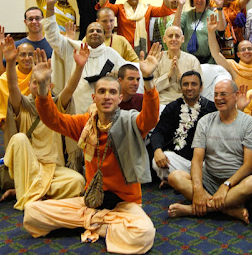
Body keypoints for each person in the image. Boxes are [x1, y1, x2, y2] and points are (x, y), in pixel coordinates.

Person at [22, 43, 163, 253]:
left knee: (143, 233)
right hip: (91, 201)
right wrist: (43, 90)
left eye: (112, 92)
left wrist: (149, 81)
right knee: (32, 212)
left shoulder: (130, 123)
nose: (107, 96)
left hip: (124, 204)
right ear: (93, 97)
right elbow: (53, 120)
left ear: (120, 98)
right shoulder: (84, 124)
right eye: (102, 91)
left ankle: (90, 222)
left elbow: (150, 117)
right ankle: (104, 224)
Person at [0, 40, 86, 210]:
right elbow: (12, 86)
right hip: (28, 167)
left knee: (78, 182)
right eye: (35, 82)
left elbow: (70, 88)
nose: (38, 85)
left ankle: (26, 193)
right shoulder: (22, 104)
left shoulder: (57, 105)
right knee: (18, 138)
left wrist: (79, 67)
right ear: (29, 85)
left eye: (44, 82)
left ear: (51, 85)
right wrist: (10, 63)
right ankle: (37, 195)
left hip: (54, 169)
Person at [167, 79, 252, 224]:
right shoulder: (205, 121)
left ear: (236, 95)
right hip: (209, 179)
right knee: (174, 177)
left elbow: (248, 165)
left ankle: (193, 209)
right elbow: (197, 160)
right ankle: (228, 210)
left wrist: (226, 185)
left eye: (223, 94)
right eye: (216, 94)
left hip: (236, 184)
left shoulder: (249, 123)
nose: (218, 98)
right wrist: (198, 188)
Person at [43, 0, 128, 114]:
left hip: (103, 109)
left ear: (104, 35)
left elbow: (129, 71)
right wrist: (50, 7)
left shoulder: (112, 54)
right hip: (76, 107)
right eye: (91, 31)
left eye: (98, 31)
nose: (95, 33)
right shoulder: (73, 48)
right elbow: (52, 36)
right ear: (86, 35)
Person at [150, 71, 217, 187]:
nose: (189, 88)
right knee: (158, 162)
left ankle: (178, 181)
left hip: (204, 163)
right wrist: (157, 151)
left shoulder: (212, 108)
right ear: (181, 88)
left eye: (194, 84)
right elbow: (159, 132)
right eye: (185, 84)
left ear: (201, 87)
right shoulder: (172, 108)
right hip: (180, 162)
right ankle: (183, 181)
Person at [99, 0, 174, 53]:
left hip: (143, 50)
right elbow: (104, 5)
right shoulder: (120, 8)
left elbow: (166, 9)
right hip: (124, 49)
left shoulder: (147, 9)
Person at [0, 40, 34, 139]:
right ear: (16, 58)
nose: (27, 58)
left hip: (37, 125)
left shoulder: (39, 76)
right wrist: (10, 129)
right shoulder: (4, 79)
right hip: (13, 126)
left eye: (30, 54)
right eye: (22, 55)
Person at [0, 8, 54, 78]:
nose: (34, 22)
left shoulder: (53, 45)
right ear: (25, 22)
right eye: (30, 19)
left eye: (37, 18)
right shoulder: (17, 46)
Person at [173, 0, 226, 64]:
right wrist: (180, 6)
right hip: (188, 60)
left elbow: (221, 28)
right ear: (192, 0)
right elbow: (175, 29)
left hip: (208, 61)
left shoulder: (212, 15)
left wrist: (220, 8)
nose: (199, 0)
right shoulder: (186, 15)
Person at [154, 25, 202, 105]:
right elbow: (151, 87)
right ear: (164, 39)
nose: (173, 39)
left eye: (177, 36)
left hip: (186, 102)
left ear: (182, 39)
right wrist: (169, 75)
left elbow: (199, 87)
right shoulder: (157, 58)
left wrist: (180, 76)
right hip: (162, 102)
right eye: (170, 36)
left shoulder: (192, 60)